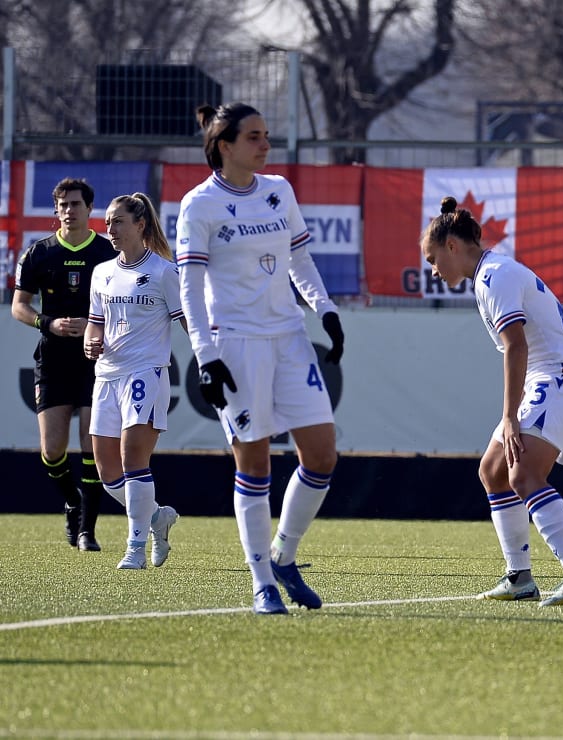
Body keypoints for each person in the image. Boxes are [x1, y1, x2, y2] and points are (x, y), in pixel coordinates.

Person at [177, 102, 346, 615]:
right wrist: (206, 355)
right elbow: (190, 284)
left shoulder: (279, 190)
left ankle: (283, 557)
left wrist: (326, 309)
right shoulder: (199, 204)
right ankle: (261, 583)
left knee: (322, 455)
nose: (265, 144)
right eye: (253, 136)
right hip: (237, 343)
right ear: (224, 146)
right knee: (253, 463)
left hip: (289, 337)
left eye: (266, 135)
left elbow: (299, 257)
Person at [420, 196, 563, 607]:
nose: (433, 270)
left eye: (433, 258)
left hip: (562, 378)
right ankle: (519, 576)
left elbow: (516, 347)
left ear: (452, 245)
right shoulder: (489, 275)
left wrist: (508, 416)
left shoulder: (495, 276)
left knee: (523, 476)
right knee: (493, 471)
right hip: (550, 378)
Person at [11, 178, 115, 551]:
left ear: (90, 209)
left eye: (76, 203)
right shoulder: (38, 253)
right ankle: (72, 501)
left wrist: (94, 325)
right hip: (53, 359)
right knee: (52, 449)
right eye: (63, 204)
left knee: (92, 446)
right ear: (56, 210)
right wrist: (48, 323)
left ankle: (87, 530)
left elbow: (123, 304)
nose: (69, 210)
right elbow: (19, 306)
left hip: (96, 359)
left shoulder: (107, 252)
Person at [83, 193, 185, 570]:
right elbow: (96, 322)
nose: (109, 229)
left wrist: (212, 359)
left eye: (118, 221)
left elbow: (186, 321)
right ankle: (157, 518)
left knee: (132, 459)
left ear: (140, 224)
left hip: (146, 373)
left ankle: (135, 548)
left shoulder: (163, 272)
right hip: (106, 376)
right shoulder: (102, 272)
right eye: (108, 222)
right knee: (108, 472)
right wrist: (90, 338)